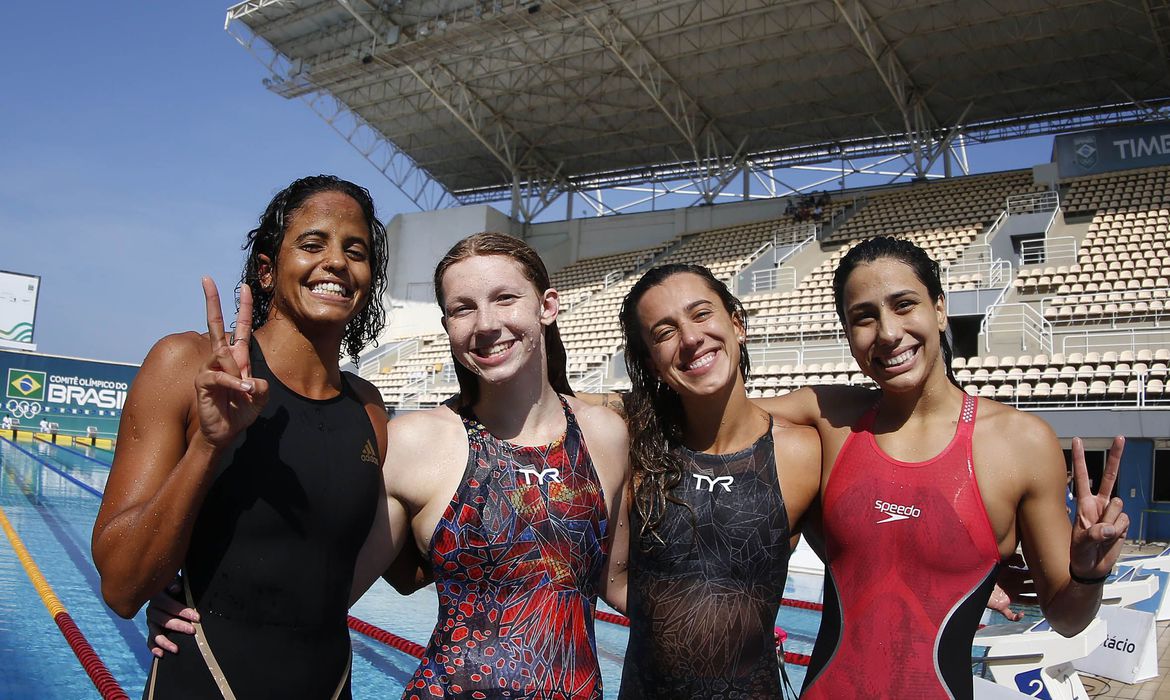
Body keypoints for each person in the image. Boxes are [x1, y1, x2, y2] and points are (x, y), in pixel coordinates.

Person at [756, 236, 1127, 700]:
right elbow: (715, 419)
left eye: (904, 304)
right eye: (863, 317)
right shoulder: (832, 418)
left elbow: (1067, 620)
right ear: (848, 334)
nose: (888, 332)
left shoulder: (1019, 443)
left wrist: (1089, 574)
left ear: (940, 309)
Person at [92, 175, 391, 699]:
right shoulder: (183, 365)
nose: (338, 262)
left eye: (355, 250)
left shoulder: (369, 410)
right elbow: (120, 587)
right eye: (313, 244)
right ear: (267, 270)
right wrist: (209, 446)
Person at [349, 232, 630, 699]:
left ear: (547, 306)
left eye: (505, 299)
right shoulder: (418, 442)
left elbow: (618, 582)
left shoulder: (605, 435)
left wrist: (741, 608)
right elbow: (332, 589)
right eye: (463, 308)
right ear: (447, 325)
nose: (485, 323)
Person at [608, 263, 821, 698]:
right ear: (651, 362)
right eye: (665, 332)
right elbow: (612, 578)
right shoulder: (636, 452)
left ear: (736, 324)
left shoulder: (802, 454)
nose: (690, 339)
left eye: (702, 314)